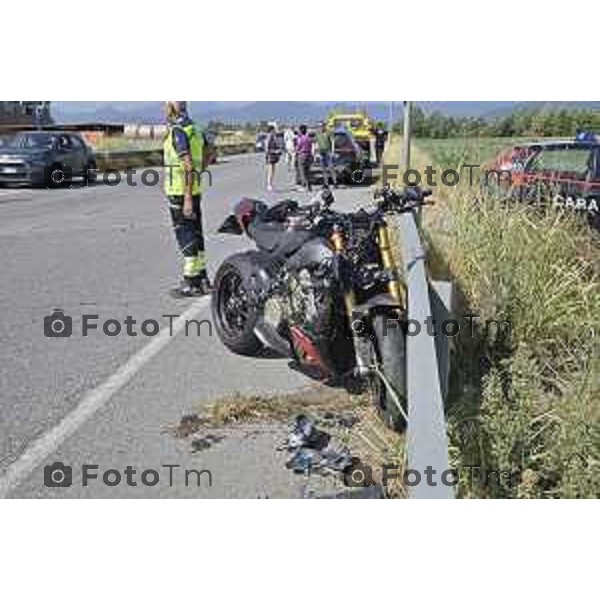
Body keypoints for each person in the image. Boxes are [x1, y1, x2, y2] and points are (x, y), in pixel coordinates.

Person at [163, 101, 211, 297]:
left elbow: (188, 164)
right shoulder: (195, 129)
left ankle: (190, 282)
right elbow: (210, 152)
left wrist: (187, 198)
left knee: (185, 235)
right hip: (193, 189)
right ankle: (202, 279)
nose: (164, 106)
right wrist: (200, 173)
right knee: (196, 234)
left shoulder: (178, 130)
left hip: (181, 191)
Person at [315, 122, 336, 188]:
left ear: (324, 126)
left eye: (321, 126)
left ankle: (335, 182)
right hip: (321, 152)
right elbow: (316, 143)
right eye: (318, 126)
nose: (320, 128)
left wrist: (332, 151)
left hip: (328, 152)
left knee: (331, 168)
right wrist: (316, 153)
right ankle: (326, 183)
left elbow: (332, 142)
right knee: (323, 169)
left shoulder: (328, 133)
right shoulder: (317, 134)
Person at [295, 124, 313, 191]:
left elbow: (298, 147)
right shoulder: (309, 138)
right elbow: (311, 147)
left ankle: (303, 185)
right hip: (308, 154)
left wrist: (296, 151)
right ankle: (309, 185)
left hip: (302, 154)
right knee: (307, 171)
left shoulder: (301, 138)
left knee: (302, 171)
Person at [264, 125, 281, 191]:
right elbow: (267, 149)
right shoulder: (268, 138)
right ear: (271, 130)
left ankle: (270, 184)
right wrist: (275, 151)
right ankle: (269, 185)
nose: (275, 131)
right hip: (270, 156)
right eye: (274, 130)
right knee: (270, 171)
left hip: (273, 156)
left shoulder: (273, 137)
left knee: (272, 171)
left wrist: (278, 150)